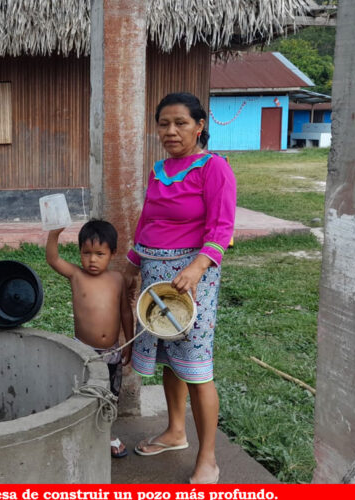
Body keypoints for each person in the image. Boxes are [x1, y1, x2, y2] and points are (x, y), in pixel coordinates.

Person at [126, 92, 236, 484]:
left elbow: (222, 228)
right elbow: (147, 221)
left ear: (200, 126)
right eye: (164, 124)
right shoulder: (160, 170)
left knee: (196, 364)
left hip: (192, 279)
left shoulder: (214, 168)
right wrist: (132, 265)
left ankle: (208, 458)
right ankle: (175, 431)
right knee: (170, 357)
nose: (171, 131)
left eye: (181, 123)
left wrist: (197, 266)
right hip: (155, 277)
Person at [46, 219, 134, 459]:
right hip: (84, 352)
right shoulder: (76, 275)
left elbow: (126, 311)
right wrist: (54, 233)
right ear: (79, 253)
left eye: (99, 253)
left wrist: (131, 342)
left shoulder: (117, 280)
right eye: (86, 253)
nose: (92, 260)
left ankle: (107, 433)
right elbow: (53, 259)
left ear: (112, 253)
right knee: (84, 395)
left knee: (110, 395)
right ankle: (83, 432)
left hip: (112, 351)